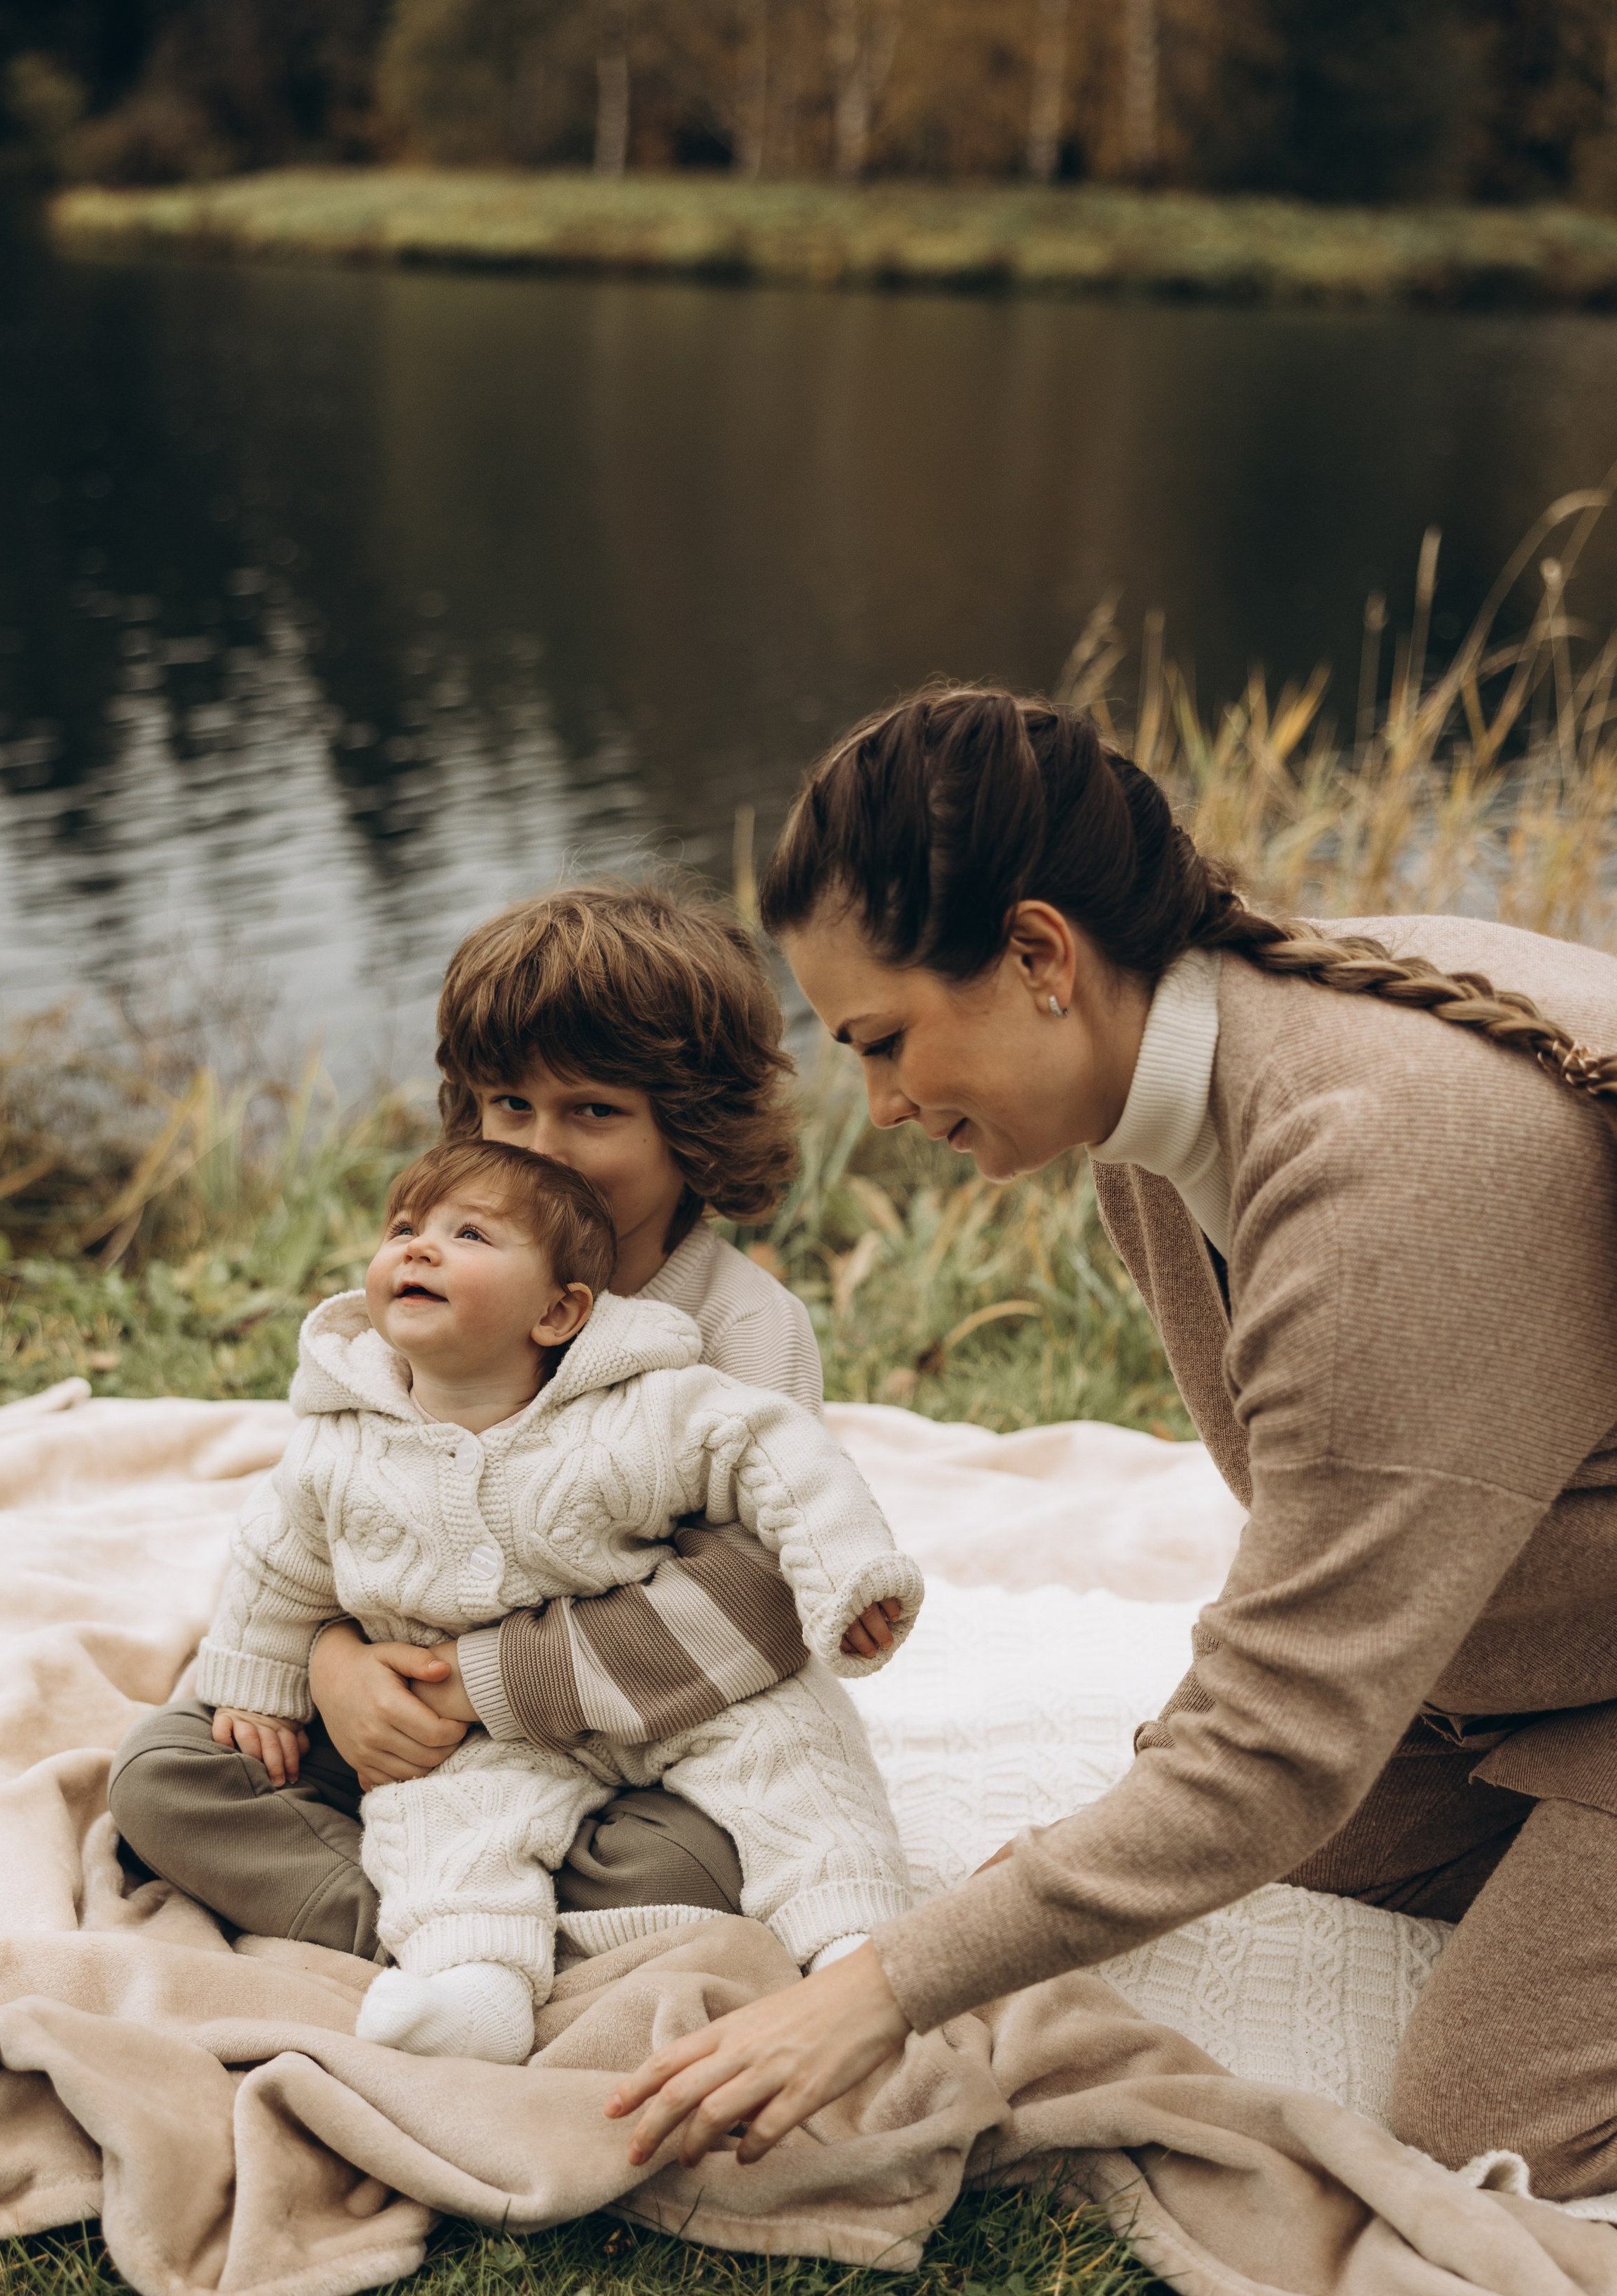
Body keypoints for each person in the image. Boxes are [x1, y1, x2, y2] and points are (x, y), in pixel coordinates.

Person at [607, 684, 1617, 2203]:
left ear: (1035, 956)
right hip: (1533, 1655)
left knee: (1492, 2129)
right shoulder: (1163, 1117)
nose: (876, 1106)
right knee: (1292, 1846)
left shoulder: (1386, 1178)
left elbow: (1269, 1748)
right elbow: (1296, 1680)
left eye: (884, 1043)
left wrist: (875, 1988)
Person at [110, 885, 873, 1963]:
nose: (542, 1147)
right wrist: (333, 1667)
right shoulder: (443, 1286)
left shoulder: (737, 1328)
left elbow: (758, 1598)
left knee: (693, 1857)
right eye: (508, 1105)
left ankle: (467, 1937)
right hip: (417, 1721)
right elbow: (329, 1514)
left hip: (648, 1738)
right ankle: (451, 1932)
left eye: (593, 1111)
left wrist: (488, 1688)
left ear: (692, 1129)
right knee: (163, 1775)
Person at [166, 1136, 919, 2061]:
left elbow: (775, 1455)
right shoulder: (341, 1441)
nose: (418, 1248)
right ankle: (472, 1987)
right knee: (440, 1824)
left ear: (560, 1312)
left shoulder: (639, 1407)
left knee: (799, 1770)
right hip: (486, 1741)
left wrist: (848, 1575)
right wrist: (267, 1683)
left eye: (470, 1235)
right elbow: (277, 1564)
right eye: (404, 1229)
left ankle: (850, 1944)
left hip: (685, 1699)